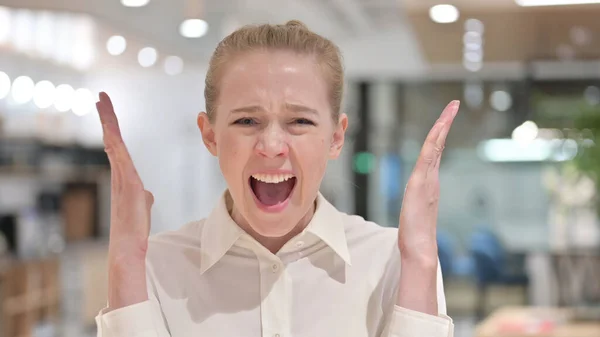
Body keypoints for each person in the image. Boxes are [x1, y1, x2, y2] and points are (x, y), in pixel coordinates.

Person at [94, 20, 459, 337]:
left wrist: (421, 263)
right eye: (246, 121)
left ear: (336, 137)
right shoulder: (157, 266)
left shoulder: (391, 260)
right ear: (210, 136)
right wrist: (126, 266)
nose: (271, 146)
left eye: (299, 121)